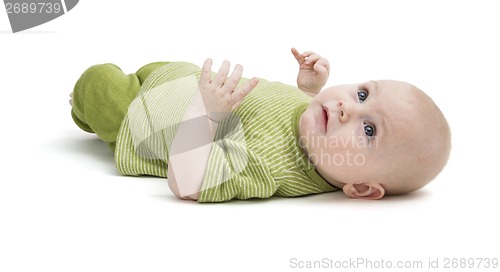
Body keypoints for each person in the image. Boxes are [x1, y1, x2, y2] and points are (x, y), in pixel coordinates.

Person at [69, 48, 451, 202]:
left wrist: (208, 111)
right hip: (181, 79)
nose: (346, 108)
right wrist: (309, 88)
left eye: (369, 131)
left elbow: (187, 183)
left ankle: (82, 110)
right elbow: (299, 108)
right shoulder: (318, 128)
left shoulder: (269, 166)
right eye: (364, 94)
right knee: (146, 66)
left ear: (362, 187)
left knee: (98, 81)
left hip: (142, 115)